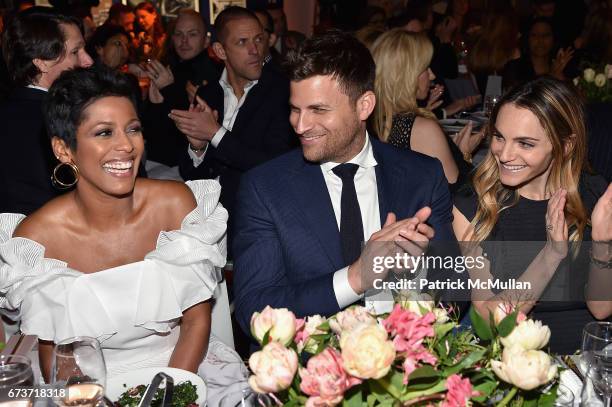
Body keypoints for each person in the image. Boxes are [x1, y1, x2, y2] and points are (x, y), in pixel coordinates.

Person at [0, 67, 246, 403]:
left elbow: (195, 322)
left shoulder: (176, 204)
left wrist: (166, 398)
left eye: (133, 129)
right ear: (63, 149)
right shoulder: (37, 238)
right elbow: (58, 354)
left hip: (183, 368)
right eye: (104, 133)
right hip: (90, 384)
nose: (126, 146)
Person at [232, 30, 459, 341]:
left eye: (318, 110)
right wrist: (356, 278)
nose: (300, 125)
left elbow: (455, 288)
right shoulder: (266, 188)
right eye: (295, 109)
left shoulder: (422, 175)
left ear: (364, 106)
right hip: (311, 373)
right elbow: (253, 311)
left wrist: (419, 271)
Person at [452, 76, 612, 353]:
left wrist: (602, 243)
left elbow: (601, 309)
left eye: (525, 143)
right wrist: (551, 254)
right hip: (513, 364)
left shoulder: (596, 197)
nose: (504, 154)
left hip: (585, 357)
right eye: (499, 137)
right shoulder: (474, 205)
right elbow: (490, 321)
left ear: (565, 145)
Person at [169, 6, 295, 252]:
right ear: (220, 50)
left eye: (259, 39)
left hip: (256, 220)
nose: (255, 50)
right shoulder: (208, 94)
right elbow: (191, 174)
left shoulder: (282, 91)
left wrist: (215, 134)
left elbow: (275, 166)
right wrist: (197, 148)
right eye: (242, 42)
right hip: (204, 219)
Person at [0, 8, 93, 215]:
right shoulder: (58, 117)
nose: (88, 61)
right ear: (42, 62)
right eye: (75, 52)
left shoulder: (10, 110)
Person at [371, 29, 462, 187]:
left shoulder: (371, 121)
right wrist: (464, 154)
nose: (432, 75)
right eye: (426, 68)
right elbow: (456, 195)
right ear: (407, 75)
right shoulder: (420, 128)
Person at [142, 8, 221, 167]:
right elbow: (152, 127)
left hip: (188, 165)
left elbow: (194, 127)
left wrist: (167, 89)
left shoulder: (213, 74)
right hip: (160, 160)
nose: (184, 41)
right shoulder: (171, 68)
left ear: (206, 41)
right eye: (179, 34)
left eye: (192, 34)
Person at [502, 17, 573, 89]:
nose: (540, 40)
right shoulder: (514, 67)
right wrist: (551, 77)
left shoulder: (563, 67)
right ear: (527, 39)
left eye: (546, 35)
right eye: (534, 35)